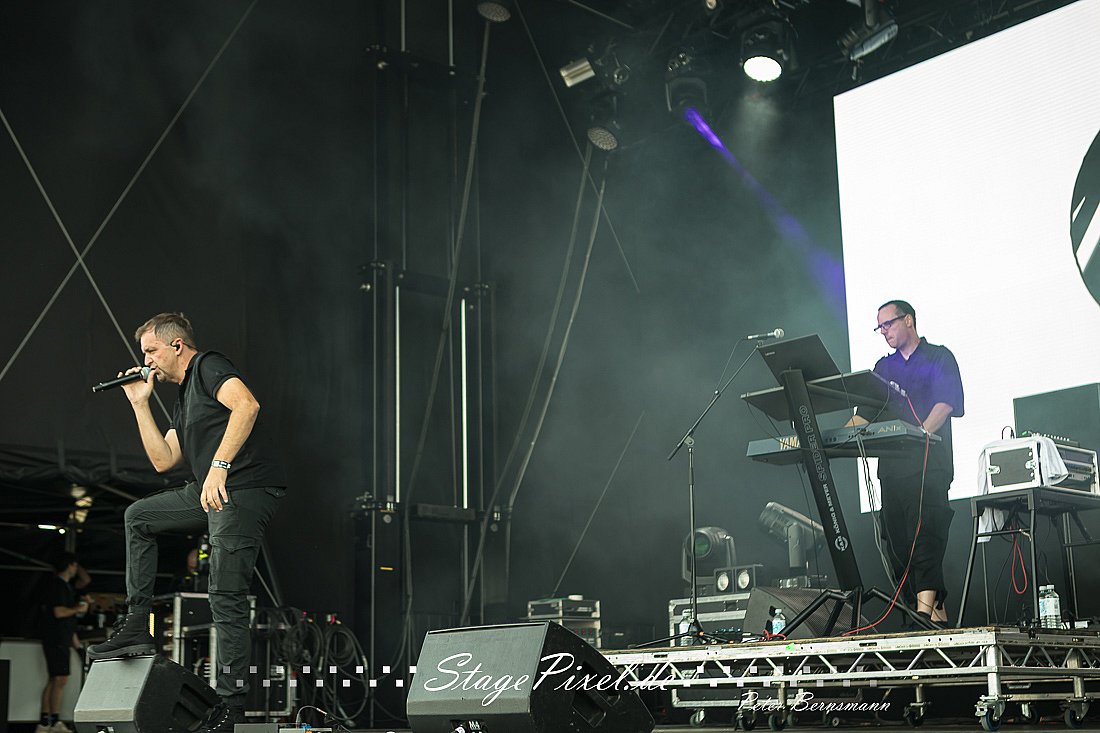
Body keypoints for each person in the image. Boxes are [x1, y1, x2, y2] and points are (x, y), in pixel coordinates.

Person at [86, 313, 286, 732]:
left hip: (243, 486)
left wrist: (219, 466)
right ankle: (137, 625)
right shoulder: (182, 399)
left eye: (151, 351)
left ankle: (230, 706)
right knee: (138, 517)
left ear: (177, 345)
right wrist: (140, 403)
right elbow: (164, 460)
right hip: (211, 488)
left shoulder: (208, 365)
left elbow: (247, 405)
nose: (146, 360)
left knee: (224, 594)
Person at [852, 300, 964, 624]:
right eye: (879, 327)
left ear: (909, 320)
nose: (883, 331)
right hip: (892, 470)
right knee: (898, 545)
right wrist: (827, 438)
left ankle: (921, 619)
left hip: (930, 466)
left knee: (926, 537)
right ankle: (936, 622)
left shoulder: (938, 357)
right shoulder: (883, 368)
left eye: (888, 324)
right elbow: (863, 415)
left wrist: (919, 434)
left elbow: (945, 404)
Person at [36, 552, 91, 733]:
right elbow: (59, 613)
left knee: (55, 679)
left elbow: (68, 622)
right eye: (74, 565)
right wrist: (78, 608)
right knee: (60, 678)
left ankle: (46, 721)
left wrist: (76, 645)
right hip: (56, 639)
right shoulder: (58, 586)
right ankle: (53, 721)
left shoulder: (65, 587)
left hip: (60, 638)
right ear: (70, 565)